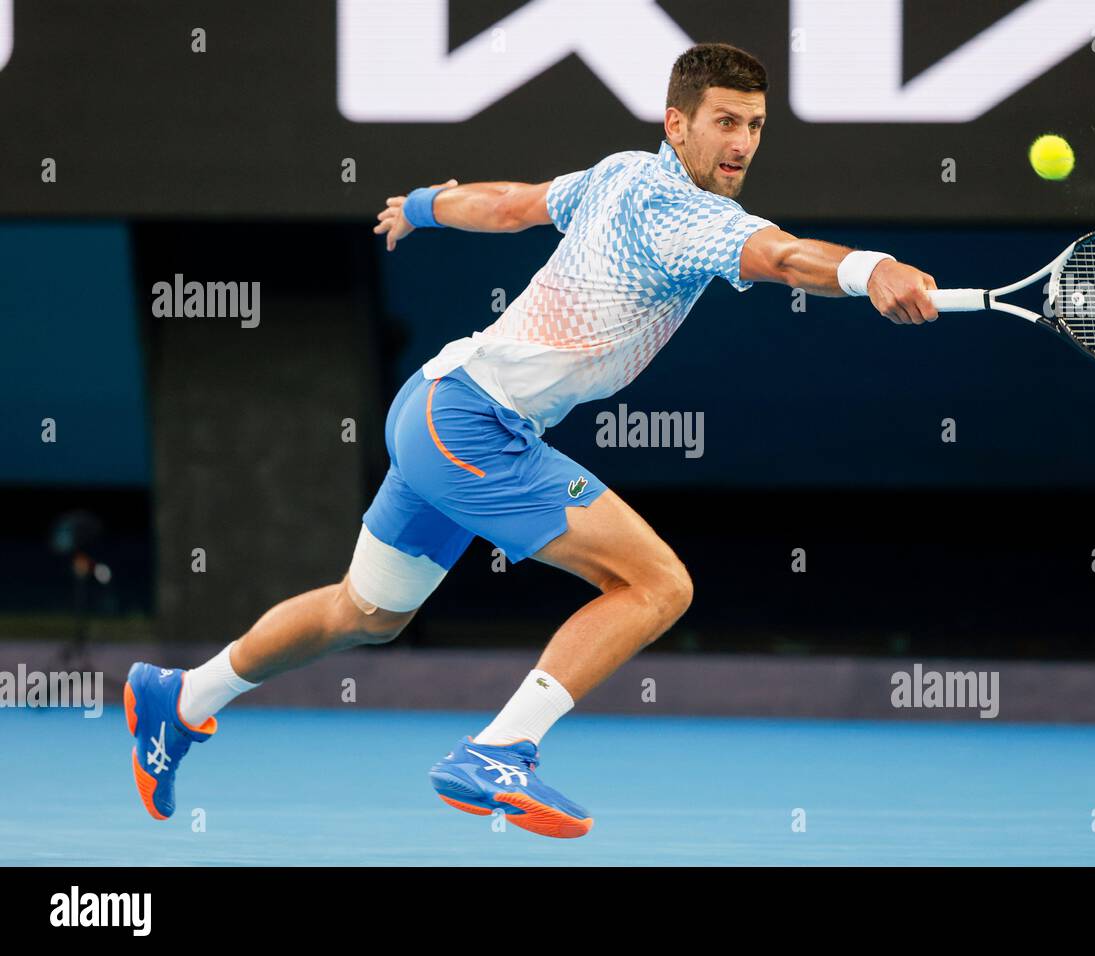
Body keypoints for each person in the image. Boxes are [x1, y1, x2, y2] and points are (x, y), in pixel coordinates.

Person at [124, 42, 939, 839]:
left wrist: (421, 207)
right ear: (677, 123)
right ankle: (499, 749)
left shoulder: (620, 171)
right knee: (657, 585)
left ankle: (183, 696)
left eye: (756, 126)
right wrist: (873, 270)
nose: (742, 144)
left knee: (364, 612)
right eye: (725, 122)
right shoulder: (688, 217)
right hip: (474, 426)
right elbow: (786, 258)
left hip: (434, 409)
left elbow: (513, 203)